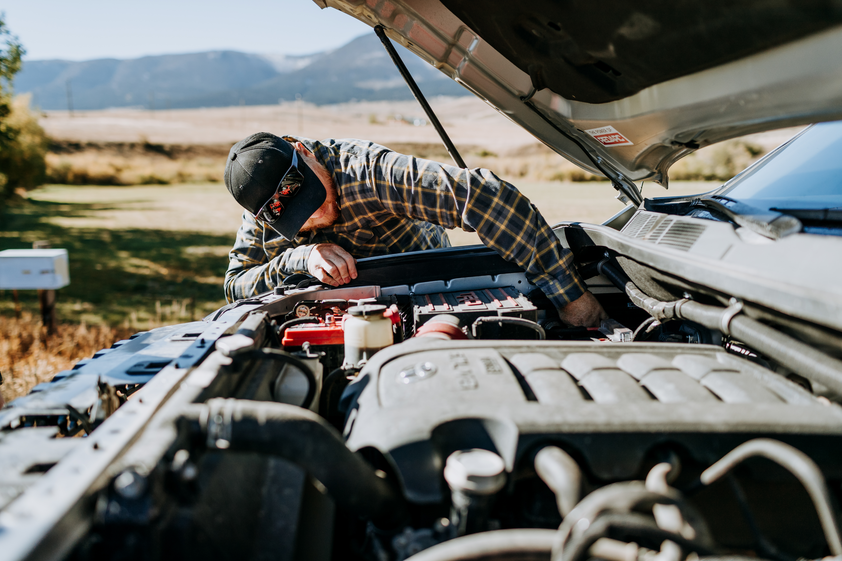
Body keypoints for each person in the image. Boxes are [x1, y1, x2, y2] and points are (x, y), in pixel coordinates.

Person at [223, 132, 607, 327]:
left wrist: (570, 297)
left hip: (429, 287)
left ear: (303, 150)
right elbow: (235, 284)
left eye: (314, 196)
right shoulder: (262, 208)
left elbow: (487, 198)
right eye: (299, 220)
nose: (316, 216)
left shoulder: (369, 173)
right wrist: (298, 257)